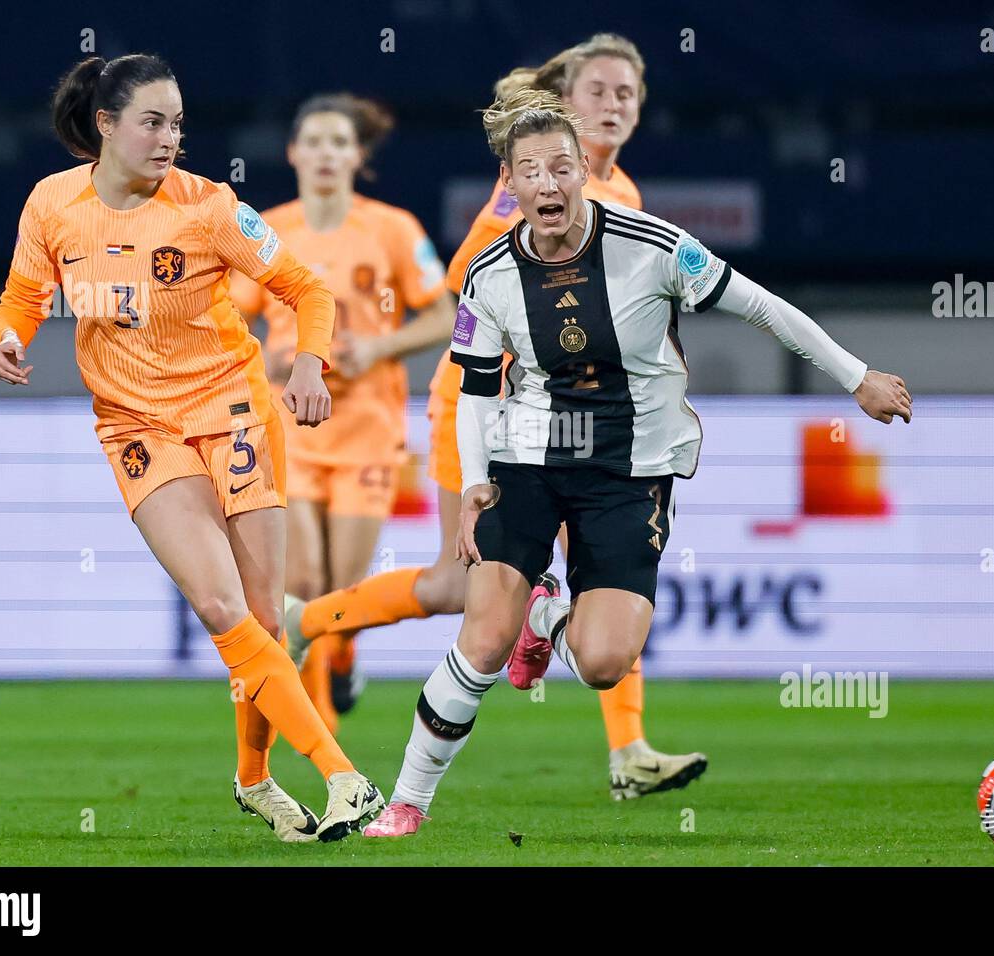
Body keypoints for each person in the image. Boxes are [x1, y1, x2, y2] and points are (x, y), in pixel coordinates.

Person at [362, 89, 912, 837]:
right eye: (531, 172)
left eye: (562, 167)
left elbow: (763, 306)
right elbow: (475, 392)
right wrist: (475, 486)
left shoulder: (653, 246)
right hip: (528, 458)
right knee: (483, 636)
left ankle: (549, 615)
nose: (549, 185)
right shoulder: (489, 276)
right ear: (509, 183)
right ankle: (407, 803)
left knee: (602, 662)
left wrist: (857, 377)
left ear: (584, 169)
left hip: (629, 471)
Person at [286, 34, 708, 800]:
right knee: (467, 582)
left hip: (577, 416)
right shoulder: (530, 187)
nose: (613, 105)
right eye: (599, 92)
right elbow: (466, 288)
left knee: (576, 568)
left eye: (627, 95)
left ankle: (628, 748)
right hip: (489, 405)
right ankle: (313, 619)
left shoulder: (630, 196)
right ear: (564, 107)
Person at [0, 54, 384, 843]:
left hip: (233, 410)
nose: (171, 138)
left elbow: (309, 289)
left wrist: (309, 363)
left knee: (265, 618)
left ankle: (254, 780)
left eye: (177, 123)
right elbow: (25, 292)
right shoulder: (53, 204)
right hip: (136, 426)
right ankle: (344, 778)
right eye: (153, 122)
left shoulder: (208, 207)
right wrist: (9, 336)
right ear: (106, 126)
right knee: (219, 606)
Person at [229, 94, 453, 731]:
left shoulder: (393, 229)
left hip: (367, 433)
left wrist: (381, 345)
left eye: (339, 142)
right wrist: (272, 353)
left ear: (358, 156)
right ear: (294, 153)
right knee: (302, 580)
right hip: (289, 429)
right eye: (315, 141)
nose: (327, 153)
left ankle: (345, 652)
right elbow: (223, 314)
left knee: (343, 589)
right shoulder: (265, 231)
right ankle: (322, 730)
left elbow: (442, 313)